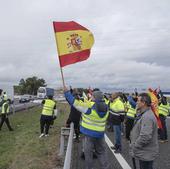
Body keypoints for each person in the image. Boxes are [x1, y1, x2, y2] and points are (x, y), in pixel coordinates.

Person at [64, 86, 110, 169]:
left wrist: (67, 93)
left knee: (88, 154)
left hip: (89, 135)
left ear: (94, 98)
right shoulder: (106, 107)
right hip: (100, 134)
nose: (91, 97)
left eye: (92, 96)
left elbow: (75, 103)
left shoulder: (90, 107)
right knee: (102, 152)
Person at [129, 93, 159, 169]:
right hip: (145, 152)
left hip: (146, 152)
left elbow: (145, 137)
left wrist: (134, 146)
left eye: (138, 101)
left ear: (143, 103)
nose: (136, 102)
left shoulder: (147, 117)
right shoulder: (144, 114)